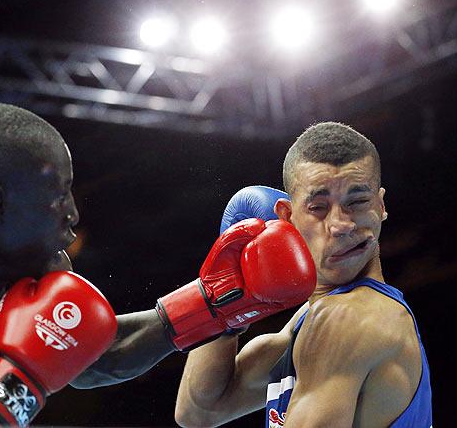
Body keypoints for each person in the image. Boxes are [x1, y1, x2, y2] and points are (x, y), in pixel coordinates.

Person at [0, 103, 316, 426]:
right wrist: (19, 386)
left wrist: (217, 302)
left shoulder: (30, 272)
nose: (73, 213)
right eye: (57, 196)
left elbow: (97, 356)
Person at [174, 122, 432, 427]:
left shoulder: (352, 319)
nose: (341, 225)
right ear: (287, 217)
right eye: (319, 207)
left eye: (358, 201)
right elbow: (199, 411)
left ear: (380, 204)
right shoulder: (309, 321)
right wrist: (226, 301)